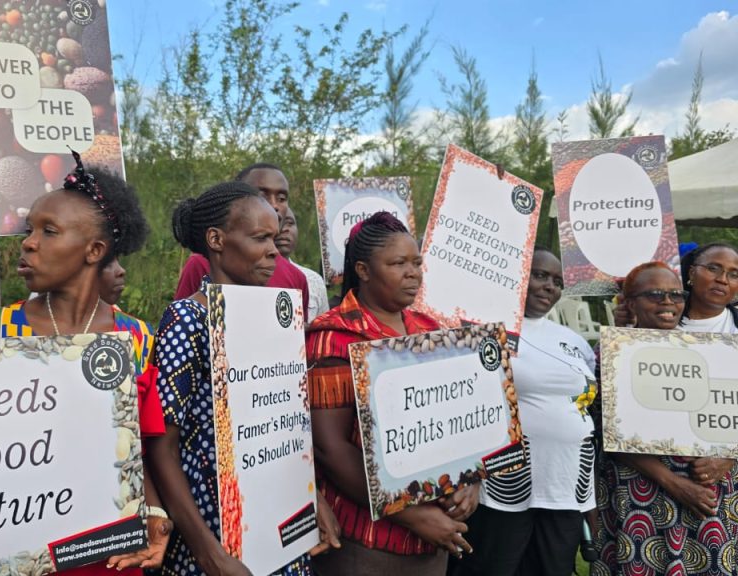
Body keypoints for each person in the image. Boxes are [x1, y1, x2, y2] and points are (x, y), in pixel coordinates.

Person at [0, 153, 171, 574]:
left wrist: (156, 515)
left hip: (110, 551)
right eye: (30, 230)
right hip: (11, 542)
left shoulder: (137, 338)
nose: (28, 242)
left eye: (49, 231)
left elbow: (141, 447)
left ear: (94, 250)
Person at [147, 181, 325, 576]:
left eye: (275, 238)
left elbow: (286, 427)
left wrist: (314, 503)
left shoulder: (275, 316)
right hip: (214, 536)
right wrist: (210, 554)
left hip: (277, 530)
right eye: (260, 238)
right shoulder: (187, 321)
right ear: (217, 239)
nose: (273, 250)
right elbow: (163, 448)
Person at [305, 212, 478, 575]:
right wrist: (412, 516)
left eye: (416, 262)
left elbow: (461, 424)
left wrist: (471, 482)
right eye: (398, 263)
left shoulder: (433, 332)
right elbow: (329, 448)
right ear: (364, 270)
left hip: (432, 540)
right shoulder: (334, 338)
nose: (413, 272)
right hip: (367, 542)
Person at [448, 247, 596, 576]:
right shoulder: (482, 331)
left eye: (557, 281)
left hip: (564, 486)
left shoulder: (573, 341)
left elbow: (587, 401)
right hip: (504, 485)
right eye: (540, 275)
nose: (549, 286)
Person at [592, 261, 737, 576]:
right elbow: (609, 434)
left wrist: (727, 457)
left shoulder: (713, 350)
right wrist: (675, 483)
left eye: (675, 294)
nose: (668, 303)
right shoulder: (612, 353)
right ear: (630, 303)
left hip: (708, 492)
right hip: (641, 493)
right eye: (654, 295)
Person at [174, 163, 310, 314]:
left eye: (282, 198)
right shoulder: (199, 268)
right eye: (261, 195)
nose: (273, 205)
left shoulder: (297, 278)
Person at [276, 206, 329, 322]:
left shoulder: (314, 280)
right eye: (278, 222)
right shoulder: (246, 276)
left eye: (290, 223)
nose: (284, 229)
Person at [678, 242, 738, 333]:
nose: (723, 280)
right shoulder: (658, 320)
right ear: (692, 273)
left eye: (734, 275)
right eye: (713, 269)